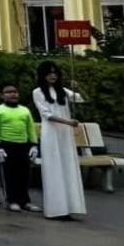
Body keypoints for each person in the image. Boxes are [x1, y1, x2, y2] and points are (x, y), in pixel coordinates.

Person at [28, 61, 85, 220]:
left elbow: (82, 99)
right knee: (54, 169)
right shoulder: (37, 92)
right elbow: (46, 114)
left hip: (65, 134)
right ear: (43, 75)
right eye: (49, 73)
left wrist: (78, 88)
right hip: (51, 133)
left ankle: (70, 207)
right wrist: (68, 122)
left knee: (68, 167)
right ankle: (55, 209)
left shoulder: (63, 91)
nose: (52, 75)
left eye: (55, 73)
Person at [0, 84, 39, 213]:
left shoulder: (25, 110)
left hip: (23, 145)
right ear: (2, 95)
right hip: (6, 145)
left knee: (24, 175)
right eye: (8, 92)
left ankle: (25, 201)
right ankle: (11, 201)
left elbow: (30, 128)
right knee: (9, 175)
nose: (13, 94)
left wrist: (34, 145)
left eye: (15, 91)